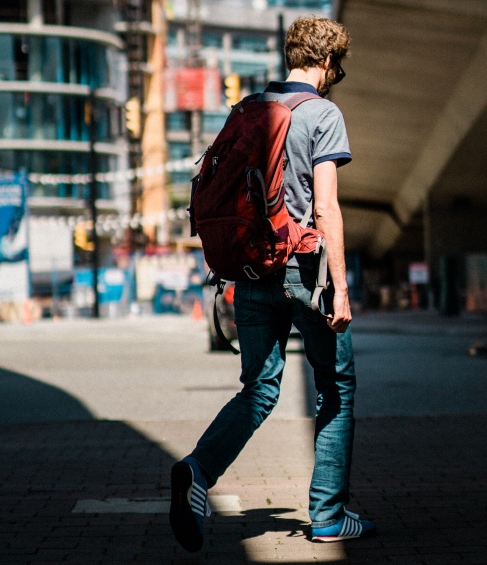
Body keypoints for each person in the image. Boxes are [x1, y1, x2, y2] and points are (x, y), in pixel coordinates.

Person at [169, 16, 375, 552]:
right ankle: (329, 515)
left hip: (251, 268)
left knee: (258, 390)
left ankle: (197, 470)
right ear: (327, 62)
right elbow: (326, 207)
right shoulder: (323, 112)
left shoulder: (249, 110)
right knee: (336, 388)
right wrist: (341, 288)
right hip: (304, 268)